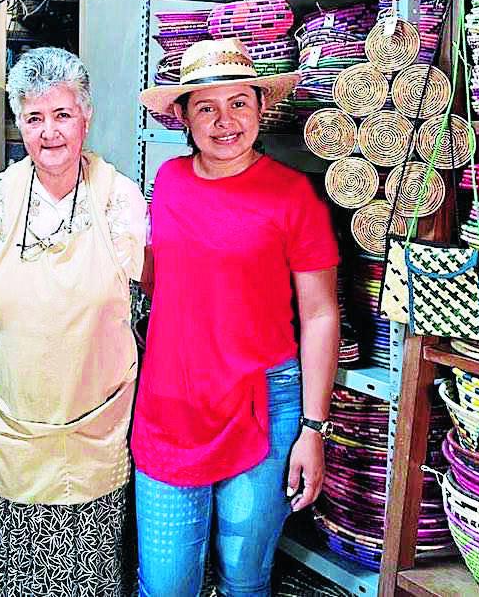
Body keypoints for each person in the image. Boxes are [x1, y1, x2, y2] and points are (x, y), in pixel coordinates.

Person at [133, 37, 341, 597]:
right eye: (207, 107)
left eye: (239, 103)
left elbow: (320, 315)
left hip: (264, 405)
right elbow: (157, 276)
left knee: (245, 581)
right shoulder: (167, 182)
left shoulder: (292, 195)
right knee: (165, 585)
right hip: (170, 406)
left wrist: (313, 429)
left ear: (260, 107)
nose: (225, 121)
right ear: (183, 116)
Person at [0, 47, 147, 597]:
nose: (50, 132)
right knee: (8, 579)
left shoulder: (119, 200)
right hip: (9, 426)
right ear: (19, 124)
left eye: (62, 114)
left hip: (94, 427)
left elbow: (157, 291)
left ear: (86, 117)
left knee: (88, 579)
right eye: (34, 117)